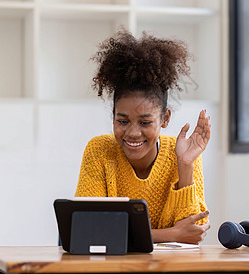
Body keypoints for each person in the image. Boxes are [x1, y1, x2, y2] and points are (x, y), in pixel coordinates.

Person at [75, 28, 211, 244]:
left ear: (165, 119)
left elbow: (193, 233)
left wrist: (185, 166)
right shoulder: (99, 150)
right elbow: (88, 230)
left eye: (145, 122)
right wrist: (170, 234)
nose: (132, 133)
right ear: (113, 116)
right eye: (122, 121)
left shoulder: (183, 154)